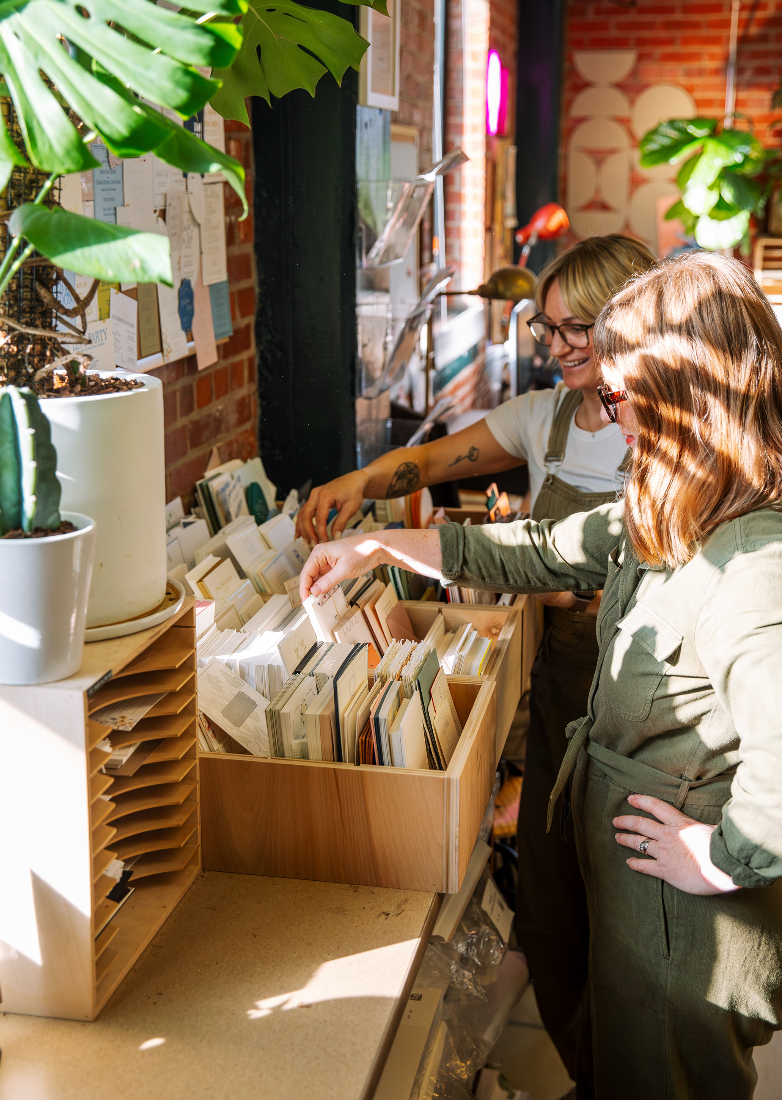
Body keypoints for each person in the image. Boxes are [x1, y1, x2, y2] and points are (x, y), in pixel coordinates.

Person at [301, 252, 782, 1099]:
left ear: (688, 396)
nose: (607, 407)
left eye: (622, 391)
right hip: (639, 899)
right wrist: (383, 541)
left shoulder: (752, 563)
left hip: (685, 934)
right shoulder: (681, 502)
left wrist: (723, 856)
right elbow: (542, 545)